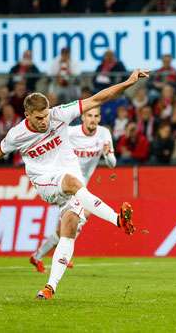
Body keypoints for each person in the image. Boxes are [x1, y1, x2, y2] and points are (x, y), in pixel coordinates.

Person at [0, 69, 148, 299]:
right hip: (45, 181)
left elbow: (98, 98)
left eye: (46, 115)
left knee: (69, 228)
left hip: (70, 179)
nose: (44, 121)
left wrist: (128, 82)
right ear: (27, 114)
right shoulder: (17, 134)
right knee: (73, 182)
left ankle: (49, 288)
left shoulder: (59, 114)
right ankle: (117, 220)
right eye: (38, 118)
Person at [30, 107, 116, 273]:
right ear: (83, 117)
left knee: (65, 227)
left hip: (81, 186)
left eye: (96, 116)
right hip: (66, 182)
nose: (92, 119)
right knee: (85, 213)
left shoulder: (104, 134)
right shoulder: (70, 132)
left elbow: (112, 164)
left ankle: (38, 256)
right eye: (89, 115)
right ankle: (63, 253)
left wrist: (107, 155)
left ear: (99, 118)